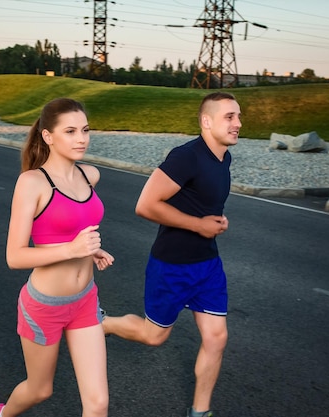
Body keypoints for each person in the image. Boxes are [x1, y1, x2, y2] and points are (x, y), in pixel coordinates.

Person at [102, 92, 241, 417]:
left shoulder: (224, 159)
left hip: (207, 264)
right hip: (173, 266)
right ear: (206, 122)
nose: (238, 123)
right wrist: (198, 225)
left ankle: (200, 412)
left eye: (238, 116)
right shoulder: (186, 157)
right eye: (229, 117)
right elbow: (145, 205)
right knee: (154, 336)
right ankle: (104, 324)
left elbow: (203, 206)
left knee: (217, 338)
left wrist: (215, 222)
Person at [0, 97, 115, 417]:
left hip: (85, 300)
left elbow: (73, 225)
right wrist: (72, 250)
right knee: (40, 390)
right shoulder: (32, 182)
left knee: (98, 403)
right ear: (48, 136)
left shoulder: (91, 175)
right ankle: (1, 414)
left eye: (85, 130)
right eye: (70, 131)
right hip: (45, 306)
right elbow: (14, 257)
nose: (82, 138)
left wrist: (90, 249)